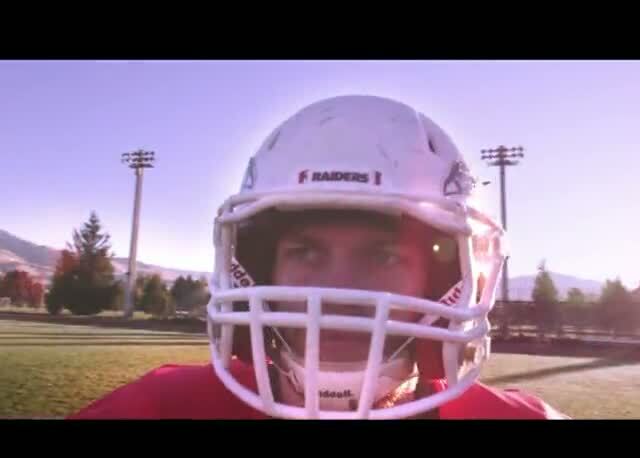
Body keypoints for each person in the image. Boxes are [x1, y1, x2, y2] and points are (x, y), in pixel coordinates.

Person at [69, 94, 569, 420]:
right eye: (306, 251)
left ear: (447, 283)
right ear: (255, 269)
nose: (339, 290)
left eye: (383, 256)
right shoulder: (163, 409)